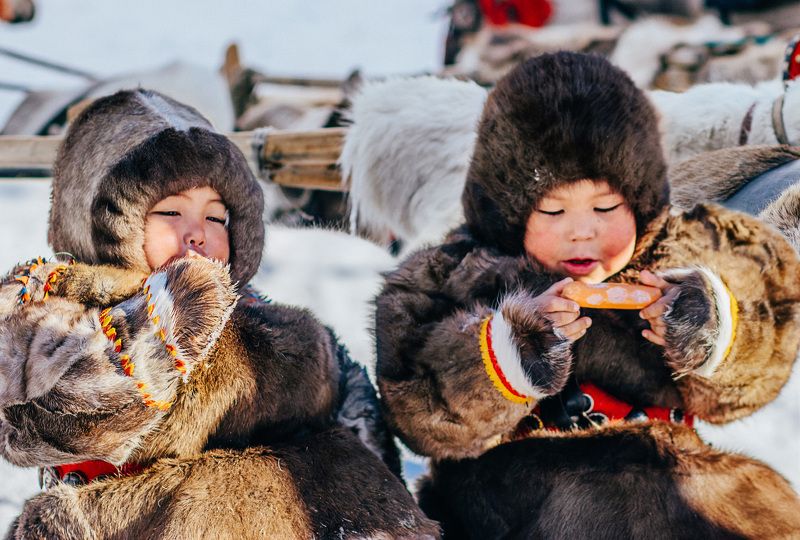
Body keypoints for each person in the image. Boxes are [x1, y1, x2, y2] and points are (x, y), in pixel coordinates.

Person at [375, 52, 800, 538]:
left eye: (605, 207)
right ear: (509, 210)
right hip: (514, 502)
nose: (583, 233)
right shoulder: (454, 275)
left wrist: (712, 327)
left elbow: (760, 355)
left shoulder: (688, 255)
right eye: (553, 212)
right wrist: (507, 353)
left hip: (678, 489)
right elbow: (419, 411)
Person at [0, 89, 438, 539]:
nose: (197, 235)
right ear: (106, 222)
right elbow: (50, 420)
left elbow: (360, 432)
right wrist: (170, 323)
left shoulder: (267, 320)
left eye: (216, 217)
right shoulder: (53, 310)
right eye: (171, 211)